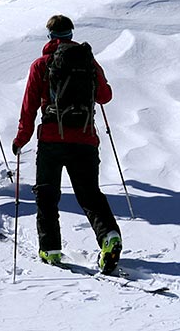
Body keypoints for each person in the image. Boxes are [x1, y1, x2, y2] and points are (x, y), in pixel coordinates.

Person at [11, 15, 122, 274]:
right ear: (71, 34)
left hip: (51, 139)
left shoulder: (42, 65)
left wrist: (21, 139)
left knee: (47, 194)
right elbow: (105, 96)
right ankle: (109, 237)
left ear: (50, 36)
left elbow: (28, 106)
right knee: (90, 194)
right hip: (85, 139)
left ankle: (50, 250)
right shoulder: (88, 61)